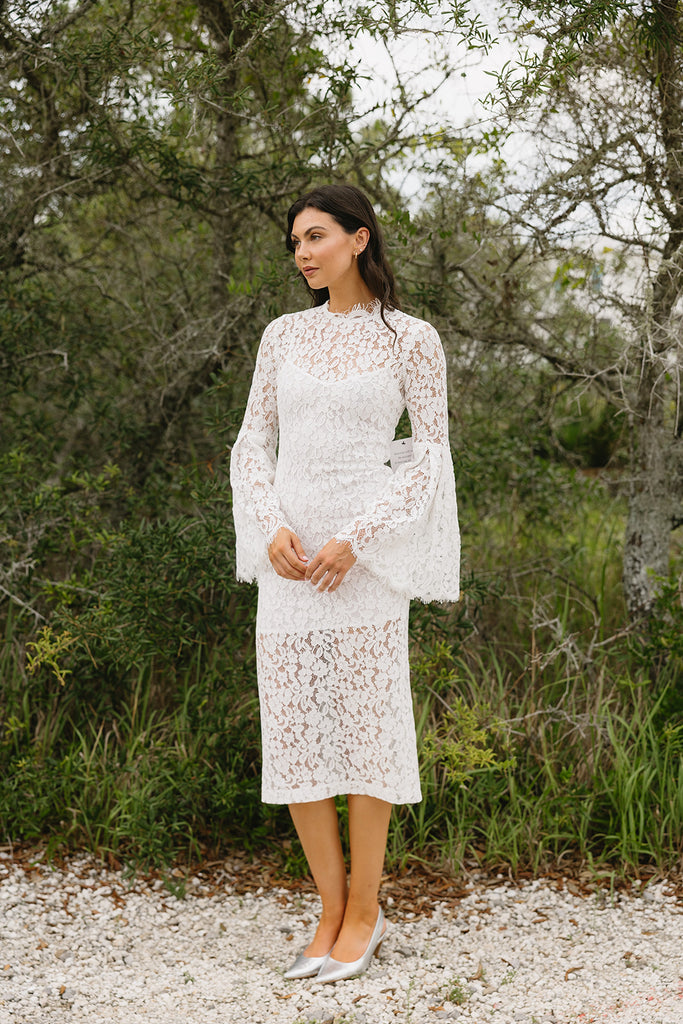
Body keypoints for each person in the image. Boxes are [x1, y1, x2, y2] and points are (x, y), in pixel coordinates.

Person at [230, 183, 460, 984]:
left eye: (316, 236)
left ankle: (365, 911)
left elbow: (429, 456)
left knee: (366, 734)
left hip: (363, 566)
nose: (302, 252)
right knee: (297, 732)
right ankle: (327, 911)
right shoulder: (282, 335)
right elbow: (251, 444)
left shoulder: (410, 339)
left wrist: (355, 540)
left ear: (359, 240)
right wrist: (270, 526)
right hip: (290, 565)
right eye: (295, 240)